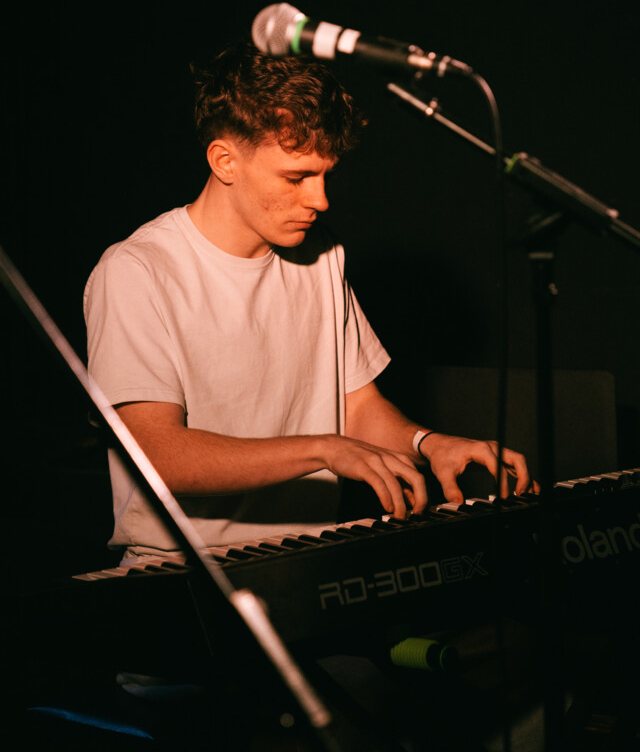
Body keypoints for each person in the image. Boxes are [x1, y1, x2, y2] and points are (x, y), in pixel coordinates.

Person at [84, 41, 536, 567]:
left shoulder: (321, 254)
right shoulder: (137, 270)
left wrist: (426, 442)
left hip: (309, 559)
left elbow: (357, 406)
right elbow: (155, 453)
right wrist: (322, 448)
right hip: (183, 573)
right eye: (296, 177)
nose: (320, 200)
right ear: (225, 161)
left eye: (326, 176)